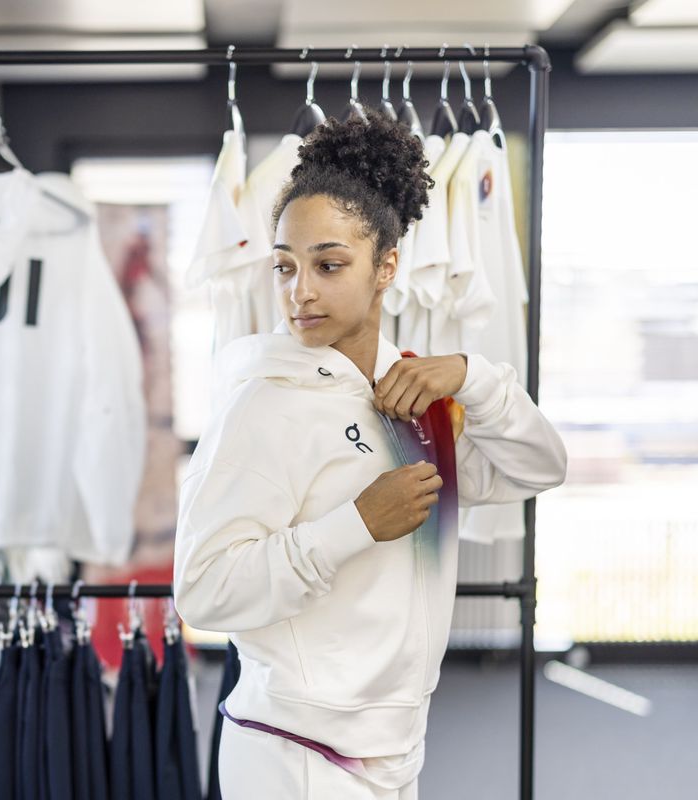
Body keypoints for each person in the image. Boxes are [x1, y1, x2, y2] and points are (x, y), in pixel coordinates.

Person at [173, 108, 567, 799]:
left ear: (386, 266)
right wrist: (354, 525)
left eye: (329, 265)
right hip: (291, 753)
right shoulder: (262, 406)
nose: (301, 291)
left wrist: (474, 376)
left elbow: (540, 468)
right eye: (286, 267)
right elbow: (202, 589)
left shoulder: (413, 397)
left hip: (394, 753)